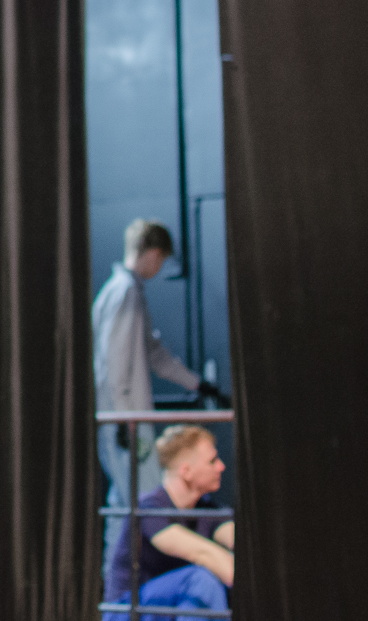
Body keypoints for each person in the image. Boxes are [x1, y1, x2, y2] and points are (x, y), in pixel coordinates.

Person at [93, 219, 217, 568]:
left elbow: (154, 354)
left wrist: (198, 384)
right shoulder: (125, 294)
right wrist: (124, 420)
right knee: (145, 501)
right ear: (153, 253)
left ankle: (115, 586)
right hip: (125, 420)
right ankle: (130, 585)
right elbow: (115, 363)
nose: (159, 267)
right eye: (161, 259)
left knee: (123, 503)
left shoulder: (122, 292)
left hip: (121, 417)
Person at [105, 424, 234, 617]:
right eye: (212, 461)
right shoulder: (149, 508)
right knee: (200, 580)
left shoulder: (209, 510)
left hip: (171, 609)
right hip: (126, 612)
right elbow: (202, 553)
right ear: (186, 471)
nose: (221, 466)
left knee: (205, 589)